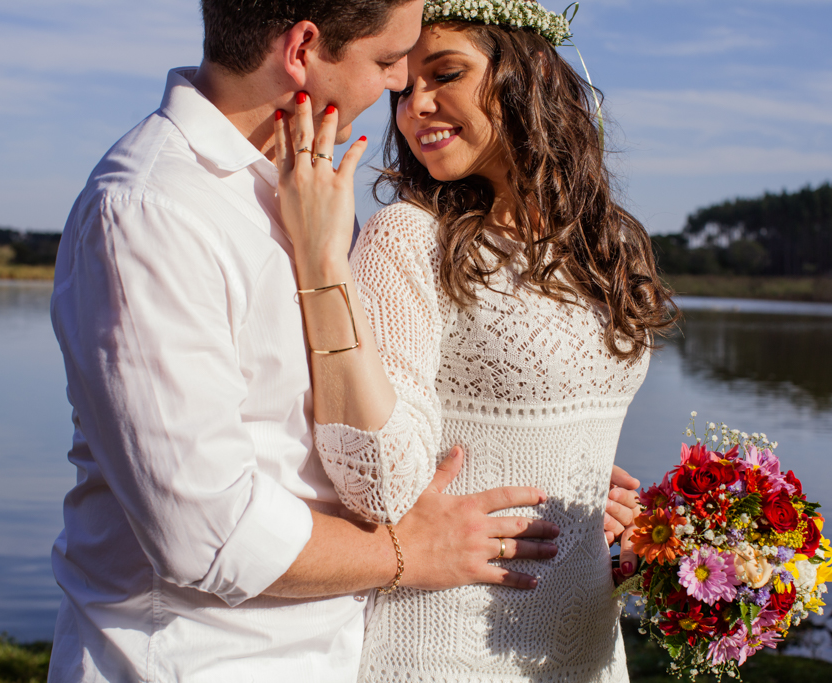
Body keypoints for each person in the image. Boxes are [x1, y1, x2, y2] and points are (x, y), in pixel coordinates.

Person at [46, 0, 640, 681]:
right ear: (302, 49)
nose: (400, 89)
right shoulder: (152, 210)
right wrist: (412, 551)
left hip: (336, 649)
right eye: (389, 61)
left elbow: (365, 410)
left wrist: (547, 468)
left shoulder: (303, 187)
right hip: (197, 659)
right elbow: (205, 532)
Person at [272, 0, 678, 680]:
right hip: (446, 643)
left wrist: (618, 515)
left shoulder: (610, 247)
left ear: (530, 73)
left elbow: (559, 432)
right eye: (403, 89)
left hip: (588, 644)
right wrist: (323, 261)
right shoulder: (409, 237)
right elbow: (377, 481)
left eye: (446, 74)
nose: (414, 106)